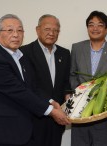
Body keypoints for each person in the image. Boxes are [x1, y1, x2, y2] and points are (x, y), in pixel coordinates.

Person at [0, 14, 70, 146]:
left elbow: (32, 86)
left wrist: (51, 101)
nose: (16, 35)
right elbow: (20, 92)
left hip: (24, 132)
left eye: (20, 30)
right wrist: (51, 111)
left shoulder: (21, 57)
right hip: (2, 133)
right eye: (10, 30)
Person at [70, 10, 107, 146]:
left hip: (103, 115)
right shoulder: (77, 48)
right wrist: (79, 94)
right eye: (91, 24)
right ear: (87, 28)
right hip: (79, 112)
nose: (95, 28)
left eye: (100, 25)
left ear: (106, 29)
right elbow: (72, 74)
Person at [20, 14, 71, 146]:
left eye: (55, 30)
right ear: (37, 30)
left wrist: (69, 100)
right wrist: (50, 104)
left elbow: (66, 82)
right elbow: (28, 85)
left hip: (57, 119)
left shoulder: (64, 53)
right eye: (47, 29)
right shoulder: (24, 52)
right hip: (34, 117)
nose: (51, 33)